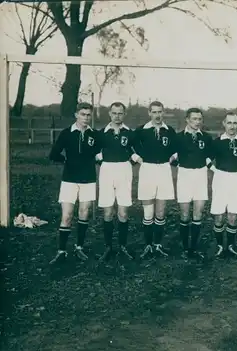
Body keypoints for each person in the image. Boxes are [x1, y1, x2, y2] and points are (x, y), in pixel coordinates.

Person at [48, 102, 101, 264]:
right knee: (67, 215)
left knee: (84, 213)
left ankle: (79, 247)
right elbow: (54, 154)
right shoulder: (67, 133)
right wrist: (66, 160)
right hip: (69, 180)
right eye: (83, 114)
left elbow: (100, 155)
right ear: (76, 115)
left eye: (88, 115)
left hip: (88, 179)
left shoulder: (95, 135)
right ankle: (61, 250)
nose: (86, 118)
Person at [133, 101, 178, 259]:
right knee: (148, 212)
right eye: (154, 112)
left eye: (160, 112)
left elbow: (178, 147)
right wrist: (137, 158)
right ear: (149, 113)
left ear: (163, 112)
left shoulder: (169, 130)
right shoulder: (141, 131)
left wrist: (173, 157)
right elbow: (128, 146)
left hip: (164, 170)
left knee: (160, 211)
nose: (157, 115)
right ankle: (147, 246)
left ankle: (157, 245)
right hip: (147, 170)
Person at [95, 102, 135, 261]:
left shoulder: (130, 133)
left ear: (124, 114)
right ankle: (108, 247)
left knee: (123, 212)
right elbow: (95, 154)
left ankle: (123, 246)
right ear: (109, 114)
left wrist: (127, 164)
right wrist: (104, 163)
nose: (117, 116)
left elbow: (137, 153)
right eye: (114, 113)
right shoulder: (101, 133)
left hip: (124, 170)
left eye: (120, 113)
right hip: (107, 171)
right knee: (108, 211)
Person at [175, 108, 213, 260]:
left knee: (197, 214)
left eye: (199, 119)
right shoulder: (178, 138)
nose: (197, 122)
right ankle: (185, 248)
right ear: (187, 119)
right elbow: (171, 157)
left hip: (200, 175)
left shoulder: (207, 138)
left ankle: (194, 248)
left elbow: (210, 157)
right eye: (194, 119)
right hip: (184, 175)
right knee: (184, 214)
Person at [209, 112, 237, 257]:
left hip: (236, 179)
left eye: (235, 123)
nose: (232, 126)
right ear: (224, 124)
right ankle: (219, 246)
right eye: (229, 123)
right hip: (220, 179)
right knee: (219, 215)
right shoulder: (217, 142)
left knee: (232, 216)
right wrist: (216, 171)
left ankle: (230, 246)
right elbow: (207, 159)